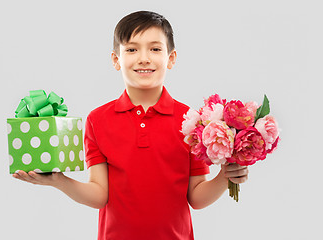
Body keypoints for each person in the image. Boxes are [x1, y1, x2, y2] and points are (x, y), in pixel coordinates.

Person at [13, 10, 249, 240]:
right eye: (132, 49)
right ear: (117, 59)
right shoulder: (97, 120)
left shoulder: (192, 120)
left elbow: (197, 197)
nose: (144, 57)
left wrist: (224, 177)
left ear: (171, 58)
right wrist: (59, 181)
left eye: (155, 49)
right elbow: (99, 195)